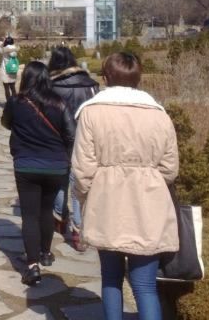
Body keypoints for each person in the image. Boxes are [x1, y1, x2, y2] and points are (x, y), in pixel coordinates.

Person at [71, 52, 179, 320]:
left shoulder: (92, 112)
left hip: (106, 202)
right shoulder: (159, 115)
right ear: (139, 79)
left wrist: (82, 203)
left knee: (110, 278)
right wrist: (147, 182)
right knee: (145, 286)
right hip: (149, 204)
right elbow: (170, 168)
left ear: (106, 77)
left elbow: (82, 169)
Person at [0, 61, 76, 286]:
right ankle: (45, 253)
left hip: (26, 165)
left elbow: (6, 123)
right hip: (55, 165)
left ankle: (32, 265)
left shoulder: (16, 102)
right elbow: (71, 134)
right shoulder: (59, 103)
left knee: (30, 215)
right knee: (46, 210)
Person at [47, 46, 99, 252]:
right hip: (87, 138)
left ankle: (60, 216)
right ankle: (78, 228)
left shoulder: (53, 85)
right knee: (80, 182)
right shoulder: (91, 84)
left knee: (61, 178)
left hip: (60, 138)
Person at [0, 36, 20, 100]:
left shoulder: (4, 50)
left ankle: (9, 103)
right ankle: (15, 103)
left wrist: (2, 42)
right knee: (13, 87)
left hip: (5, 70)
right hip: (13, 69)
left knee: (6, 88)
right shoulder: (16, 49)